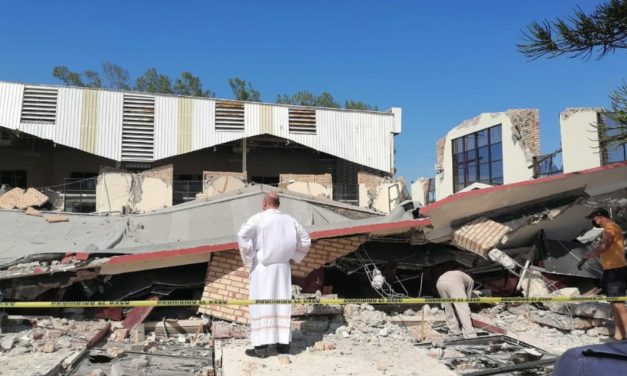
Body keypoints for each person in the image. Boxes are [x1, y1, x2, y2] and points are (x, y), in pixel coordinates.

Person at [237, 192, 311, 358]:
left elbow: (242, 235)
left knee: (262, 305)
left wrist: (249, 256)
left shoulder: (257, 218)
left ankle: (261, 349)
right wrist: (293, 255)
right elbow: (306, 240)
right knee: (281, 304)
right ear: (278, 204)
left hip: (263, 269)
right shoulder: (290, 220)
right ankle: (283, 345)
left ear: (264, 203)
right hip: (283, 268)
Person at [579, 207, 627, 341]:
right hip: (611, 269)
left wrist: (588, 255)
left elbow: (605, 246)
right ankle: (619, 335)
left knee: (618, 303)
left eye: (595, 219)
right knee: (614, 303)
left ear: (600, 217)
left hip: (616, 270)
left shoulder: (610, 228)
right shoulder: (612, 227)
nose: (595, 222)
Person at [436, 270, 477, 338]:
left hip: (440, 282)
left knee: (448, 308)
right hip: (453, 283)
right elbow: (468, 298)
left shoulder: (458, 273)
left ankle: (454, 331)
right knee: (463, 309)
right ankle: (470, 334)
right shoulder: (471, 280)